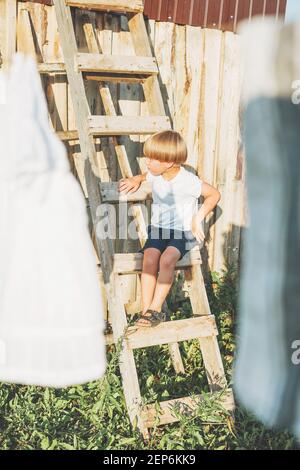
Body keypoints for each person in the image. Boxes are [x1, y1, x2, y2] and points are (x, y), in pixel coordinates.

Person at [118, 130, 220, 327]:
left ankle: (155, 310)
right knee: (149, 258)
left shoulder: (188, 181)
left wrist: (197, 218)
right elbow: (145, 175)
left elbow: (214, 194)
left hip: (183, 232)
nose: (148, 162)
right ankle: (146, 311)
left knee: (166, 260)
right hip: (159, 229)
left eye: (152, 158)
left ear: (169, 162)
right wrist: (136, 179)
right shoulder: (157, 174)